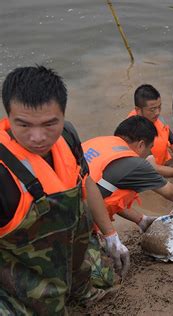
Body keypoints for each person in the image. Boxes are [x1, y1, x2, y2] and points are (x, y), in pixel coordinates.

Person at [0, 66, 112, 314]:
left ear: (63, 115)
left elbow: (86, 181)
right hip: (21, 268)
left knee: (106, 276)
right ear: (8, 117)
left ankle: (81, 289)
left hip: (72, 251)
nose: (38, 137)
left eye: (50, 123)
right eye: (24, 125)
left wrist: (111, 234)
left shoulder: (68, 136)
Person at [82, 115, 173, 286]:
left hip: (55, 206)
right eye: (149, 149)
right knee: (106, 280)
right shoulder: (134, 164)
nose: (148, 154)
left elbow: (105, 196)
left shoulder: (101, 143)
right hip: (71, 225)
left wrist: (140, 220)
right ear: (141, 144)